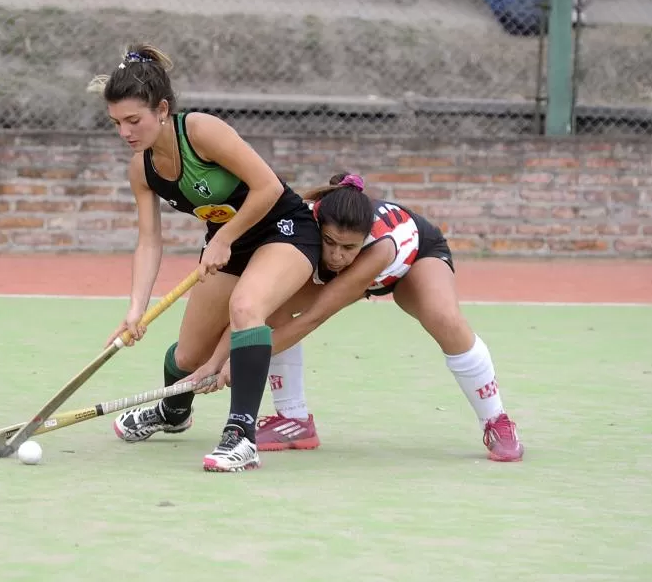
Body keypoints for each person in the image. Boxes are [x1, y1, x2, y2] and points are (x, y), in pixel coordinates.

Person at [86, 44, 322, 472]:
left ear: (161, 109)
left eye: (133, 120)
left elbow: (268, 187)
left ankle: (241, 435)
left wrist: (226, 235)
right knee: (187, 359)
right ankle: (173, 413)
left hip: (283, 230)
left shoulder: (200, 130)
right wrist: (136, 309)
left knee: (247, 308)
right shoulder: (142, 167)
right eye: (116, 123)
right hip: (229, 247)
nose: (125, 132)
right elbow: (149, 240)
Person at [181, 172, 525, 462]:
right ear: (318, 227)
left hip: (415, 258)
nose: (337, 255)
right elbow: (258, 314)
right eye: (330, 242)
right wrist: (215, 362)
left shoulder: (377, 249)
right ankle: (295, 419)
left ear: (363, 241)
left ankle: (496, 419)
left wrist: (235, 368)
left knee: (443, 317)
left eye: (349, 247)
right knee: (272, 306)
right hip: (348, 263)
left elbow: (311, 319)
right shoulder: (304, 226)